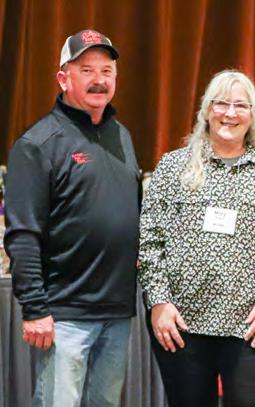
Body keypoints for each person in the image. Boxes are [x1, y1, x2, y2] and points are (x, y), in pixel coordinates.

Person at [138, 70, 255, 406]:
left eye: (241, 106)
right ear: (206, 110)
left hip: (253, 325)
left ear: (253, 114)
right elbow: (150, 239)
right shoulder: (172, 167)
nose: (230, 113)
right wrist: (159, 302)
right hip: (182, 321)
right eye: (221, 104)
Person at [3, 29, 140, 406]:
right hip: (64, 315)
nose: (99, 80)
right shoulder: (37, 145)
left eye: (107, 71)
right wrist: (35, 308)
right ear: (63, 78)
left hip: (117, 311)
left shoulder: (122, 136)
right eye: (86, 70)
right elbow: (22, 235)